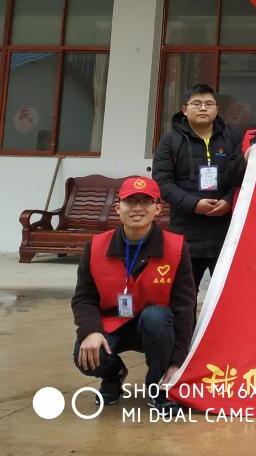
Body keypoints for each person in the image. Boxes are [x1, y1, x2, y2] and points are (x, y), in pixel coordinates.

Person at [72, 176, 195, 412]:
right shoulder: (96, 247)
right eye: (131, 201)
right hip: (113, 324)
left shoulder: (177, 249)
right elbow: (84, 298)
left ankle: (158, 386)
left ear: (158, 208)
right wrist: (90, 331)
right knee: (84, 354)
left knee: (157, 317)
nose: (138, 208)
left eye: (146, 201)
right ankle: (113, 375)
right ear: (118, 207)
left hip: (156, 328)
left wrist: (177, 362)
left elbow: (184, 308)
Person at [153, 84, 243, 290]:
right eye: (197, 103)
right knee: (184, 295)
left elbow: (243, 176)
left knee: (227, 293)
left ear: (217, 109)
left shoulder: (232, 136)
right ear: (184, 109)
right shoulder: (170, 140)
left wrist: (228, 201)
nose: (203, 108)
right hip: (186, 231)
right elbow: (162, 182)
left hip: (226, 231)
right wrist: (194, 204)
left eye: (209, 104)